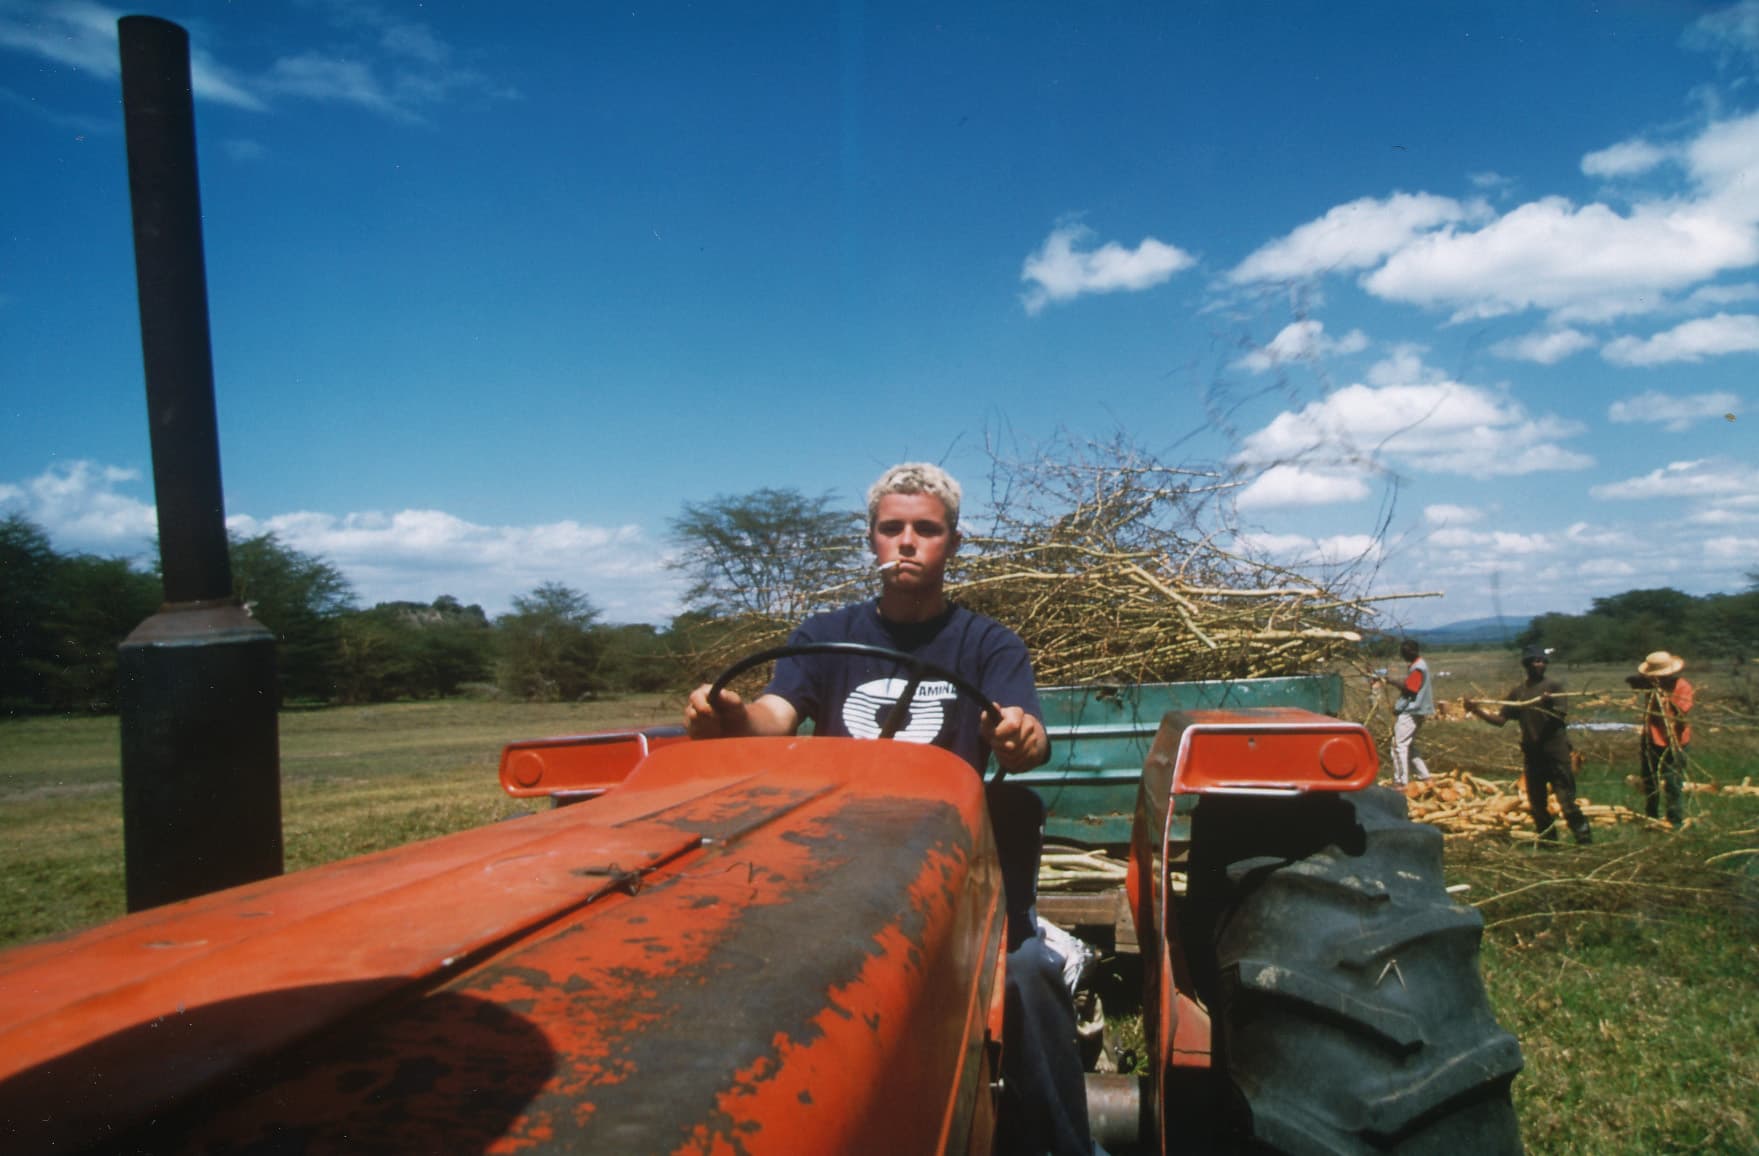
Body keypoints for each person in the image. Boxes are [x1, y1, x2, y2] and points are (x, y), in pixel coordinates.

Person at [684, 462, 1091, 1156]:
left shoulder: (986, 643)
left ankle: (1066, 1143)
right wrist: (729, 715)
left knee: (1025, 972)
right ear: (870, 539)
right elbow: (773, 719)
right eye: (891, 528)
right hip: (841, 851)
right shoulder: (822, 634)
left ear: (952, 545)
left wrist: (1020, 735)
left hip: (957, 855)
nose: (907, 542)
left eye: (925, 530)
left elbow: (1026, 739)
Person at [1464, 645, 1592, 844]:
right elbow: (1500, 720)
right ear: (1527, 664)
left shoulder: (1554, 688)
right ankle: (1548, 841)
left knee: (1566, 802)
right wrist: (1476, 710)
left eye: (1542, 661)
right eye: (1535, 661)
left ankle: (1584, 839)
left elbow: (1559, 716)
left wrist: (1548, 703)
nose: (1539, 664)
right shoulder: (1519, 692)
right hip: (1533, 756)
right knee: (1537, 803)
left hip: (1556, 754)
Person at [1625, 650, 1693, 828]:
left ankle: (1675, 820)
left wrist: (1667, 699)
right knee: (1649, 779)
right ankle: (1651, 816)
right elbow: (1631, 682)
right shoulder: (1650, 684)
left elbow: (1681, 713)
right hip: (1651, 737)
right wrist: (1649, 685)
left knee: (1673, 781)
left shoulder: (1682, 686)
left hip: (1675, 739)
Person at [1385, 638, 1434, 788]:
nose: (1403, 655)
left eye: (1404, 652)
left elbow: (1410, 689)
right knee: (1409, 745)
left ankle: (1400, 781)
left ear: (1411, 652)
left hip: (1412, 710)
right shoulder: (1419, 665)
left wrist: (1392, 681)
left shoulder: (1418, 668)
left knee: (1398, 745)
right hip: (1418, 710)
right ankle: (1425, 777)